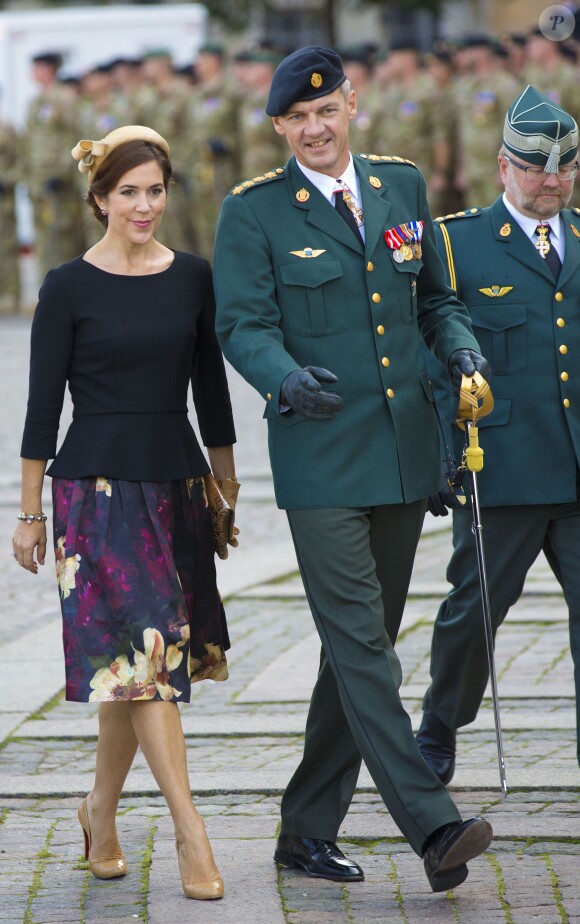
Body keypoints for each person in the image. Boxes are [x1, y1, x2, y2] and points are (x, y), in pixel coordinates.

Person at [213, 45, 493, 894]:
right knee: (368, 648)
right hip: (321, 458)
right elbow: (241, 323)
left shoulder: (402, 188)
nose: (313, 129)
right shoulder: (255, 213)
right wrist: (282, 377)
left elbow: (433, 301)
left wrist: (462, 348)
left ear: (352, 105)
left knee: (353, 652)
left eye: (324, 111)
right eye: (295, 120)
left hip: (406, 454)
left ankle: (304, 831)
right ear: (277, 127)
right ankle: (432, 825)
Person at [12, 125, 238, 901]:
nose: (144, 205)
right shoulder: (68, 286)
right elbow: (42, 409)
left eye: (155, 191)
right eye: (128, 192)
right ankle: (189, 830)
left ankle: (98, 811)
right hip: (94, 497)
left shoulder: (194, 277)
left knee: (129, 671)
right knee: (146, 661)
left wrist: (226, 488)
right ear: (100, 198)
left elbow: (212, 391)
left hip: (175, 483)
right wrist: (29, 513)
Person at [417, 86, 580, 784]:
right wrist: (439, 460)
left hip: (575, 472)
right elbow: (431, 362)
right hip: (501, 468)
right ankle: (441, 723)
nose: (552, 181)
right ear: (502, 167)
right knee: (471, 613)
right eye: (538, 168)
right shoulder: (454, 244)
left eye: (565, 169)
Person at [22, 51, 83, 279]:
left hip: (59, 178)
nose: (33, 73)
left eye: (37, 67)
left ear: (49, 69)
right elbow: (30, 141)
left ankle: (70, 286)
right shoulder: (36, 102)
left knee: (63, 234)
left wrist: (66, 170)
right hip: (38, 178)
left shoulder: (65, 98)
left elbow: (75, 137)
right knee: (43, 234)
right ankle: (47, 286)